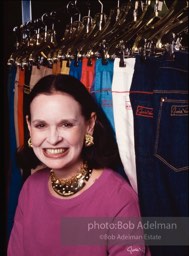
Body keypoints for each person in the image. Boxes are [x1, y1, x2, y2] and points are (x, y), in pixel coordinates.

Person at [8, 74, 150, 256]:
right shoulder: (30, 189)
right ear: (29, 126)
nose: (53, 139)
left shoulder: (118, 199)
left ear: (89, 125)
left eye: (66, 124)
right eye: (41, 125)